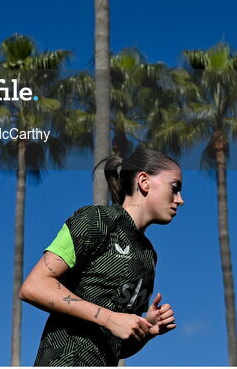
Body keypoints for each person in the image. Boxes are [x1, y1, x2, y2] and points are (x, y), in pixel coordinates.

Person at [20, 148, 184, 366]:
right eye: (174, 188)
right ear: (144, 182)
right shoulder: (96, 220)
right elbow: (33, 286)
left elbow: (118, 345)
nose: (180, 200)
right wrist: (109, 318)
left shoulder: (148, 257)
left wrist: (147, 330)